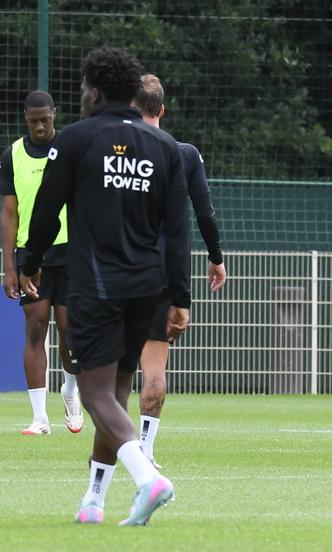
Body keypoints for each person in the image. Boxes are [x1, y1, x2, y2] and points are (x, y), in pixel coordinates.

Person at [20, 47, 191, 526]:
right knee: (115, 392)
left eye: (82, 87)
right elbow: (178, 231)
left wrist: (29, 263)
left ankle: (147, 478)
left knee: (94, 394)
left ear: (94, 91)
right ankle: (93, 502)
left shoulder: (76, 139)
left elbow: (46, 210)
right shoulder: (164, 146)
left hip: (96, 286)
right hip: (148, 289)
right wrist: (180, 297)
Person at [133, 74, 227, 468]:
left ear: (131, 108)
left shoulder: (112, 152)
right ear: (162, 109)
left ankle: (113, 447)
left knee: (111, 369)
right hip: (162, 273)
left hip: (114, 270)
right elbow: (204, 212)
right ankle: (145, 450)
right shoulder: (184, 153)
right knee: (155, 369)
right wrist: (216, 257)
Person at [0, 90, 84, 436]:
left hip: (70, 250)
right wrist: (9, 267)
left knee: (70, 330)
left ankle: (70, 391)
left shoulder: (71, 149)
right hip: (30, 254)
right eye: (33, 121)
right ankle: (40, 418)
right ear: (25, 118)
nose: (39, 126)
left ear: (54, 115)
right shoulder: (13, 155)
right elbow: (9, 212)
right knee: (35, 327)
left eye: (45, 120)